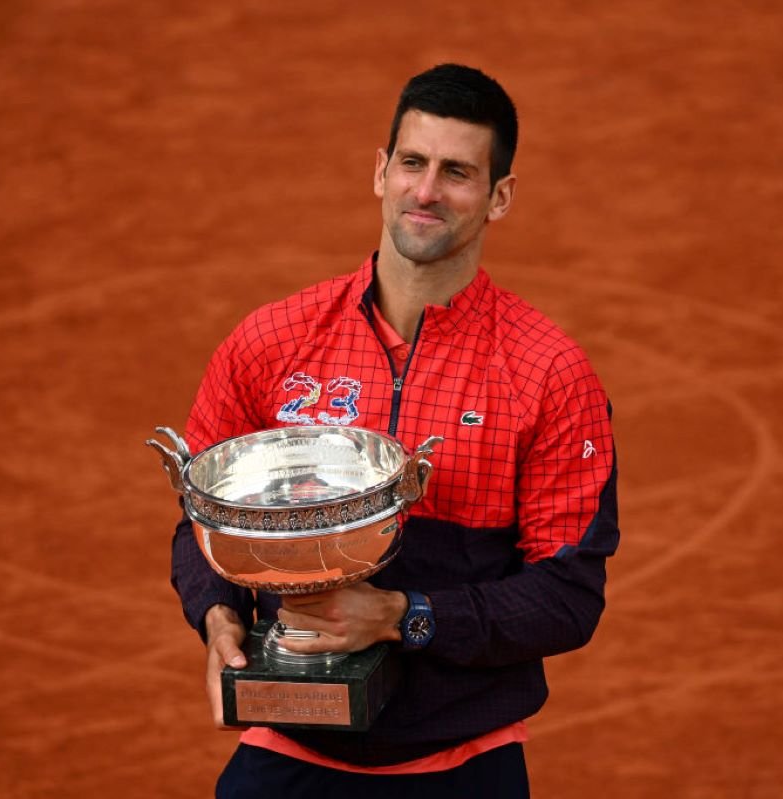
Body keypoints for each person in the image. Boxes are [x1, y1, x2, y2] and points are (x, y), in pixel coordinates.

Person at [170, 63, 620, 798]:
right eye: (412, 162)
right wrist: (218, 613)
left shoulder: (549, 374)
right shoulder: (271, 342)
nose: (426, 190)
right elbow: (199, 518)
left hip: (463, 766)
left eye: (457, 172)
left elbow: (568, 596)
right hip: (286, 756)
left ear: (499, 197)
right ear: (380, 171)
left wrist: (402, 617)